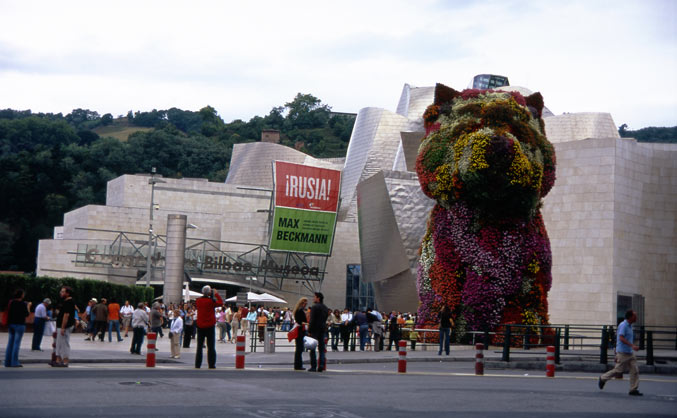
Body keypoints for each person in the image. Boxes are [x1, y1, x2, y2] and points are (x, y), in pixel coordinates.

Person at [598, 310, 643, 396]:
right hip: (623, 352)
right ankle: (602, 378)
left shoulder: (630, 326)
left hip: (630, 352)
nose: (636, 317)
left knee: (635, 370)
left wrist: (631, 347)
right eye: (635, 316)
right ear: (630, 317)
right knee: (618, 370)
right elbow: (621, 338)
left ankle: (633, 389)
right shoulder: (623, 325)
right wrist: (632, 346)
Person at [194, 285, 223, 369]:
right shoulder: (211, 301)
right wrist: (216, 294)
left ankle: (197, 364)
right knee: (211, 346)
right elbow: (221, 303)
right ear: (209, 292)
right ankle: (211, 364)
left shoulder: (198, 301)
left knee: (199, 346)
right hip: (210, 326)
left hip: (200, 325)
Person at [4, 289, 31, 367]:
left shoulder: (11, 302)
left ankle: (7, 362)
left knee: (10, 343)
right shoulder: (23, 304)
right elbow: (26, 314)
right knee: (16, 344)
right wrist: (28, 306)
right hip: (19, 325)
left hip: (11, 324)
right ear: (21, 295)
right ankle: (14, 362)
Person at [53, 286, 75, 367]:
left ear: (67, 293)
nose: (60, 293)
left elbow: (66, 315)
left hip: (65, 326)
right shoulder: (64, 301)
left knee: (64, 343)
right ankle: (58, 360)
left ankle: (65, 361)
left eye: (62, 292)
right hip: (60, 325)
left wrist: (63, 327)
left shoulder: (69, 302)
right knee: (59, 343)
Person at [308, 292, 329, 372]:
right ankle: (321, 365)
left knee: (312, 348)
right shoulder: (325, 308)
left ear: (318, 298)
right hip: (322, 329)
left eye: (315, 297)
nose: (313, 298)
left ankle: (313, 366)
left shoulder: (314, 307)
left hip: (314, 329)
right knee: (321, 348)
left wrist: (309, 330)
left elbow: (312, 320)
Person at [292, 297, 308, 370]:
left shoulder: (297, 310)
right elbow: (300, 321)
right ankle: (298, 365)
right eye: (305, 303)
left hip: (299, 330)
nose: (306, 304)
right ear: (302, 303)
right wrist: (307, 323)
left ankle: (297, 364)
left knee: (298, 348)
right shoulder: (300, 311)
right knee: (299, 348)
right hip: (300, 331)